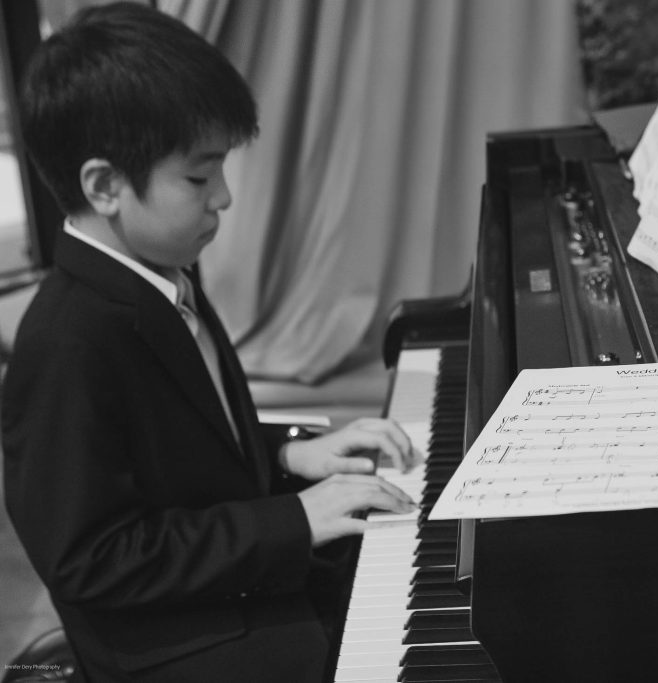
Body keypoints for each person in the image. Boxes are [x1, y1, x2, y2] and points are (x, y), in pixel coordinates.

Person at [1, 3, 421, 681]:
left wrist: (291, 451)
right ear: (106, 186)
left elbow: (178, 440)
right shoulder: (65, 344)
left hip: (231, 585)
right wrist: (294, 520)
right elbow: (91, 559)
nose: (223, 197)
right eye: (199, 177)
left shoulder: (162, 270)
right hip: (178, 642)